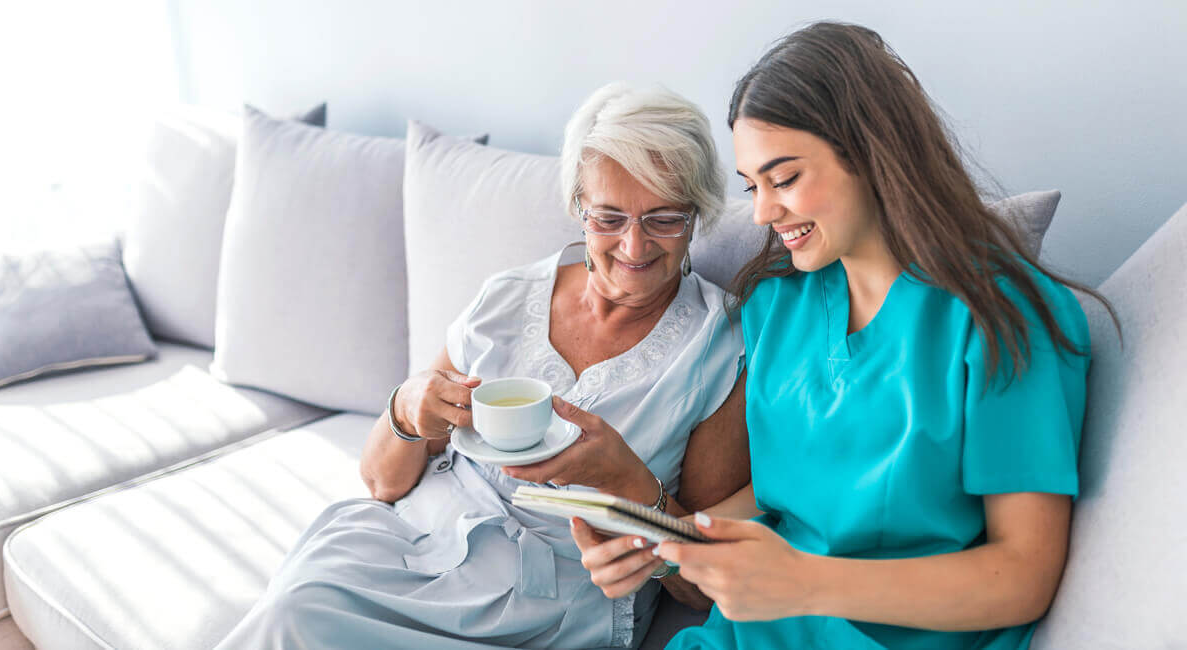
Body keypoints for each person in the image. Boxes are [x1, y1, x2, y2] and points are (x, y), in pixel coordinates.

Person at [572, 22, 1115, 650]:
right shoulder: (776, 306)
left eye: (785, 178)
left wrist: (806, 583)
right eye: (753, 186)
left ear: (870, 153)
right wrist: (663, 544)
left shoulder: (1004, 317)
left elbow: (1022, 575)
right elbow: (780, 497)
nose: (763, 214)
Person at [214, 82, 749, 650]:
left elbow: (705, 588)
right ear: (578, 207)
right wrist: (406, 407)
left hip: (546, 602)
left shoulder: (716, 348)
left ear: (698, 214)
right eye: (609, 218)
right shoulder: (506, 298)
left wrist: (628, 483)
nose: (635, 247)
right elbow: (379, 482)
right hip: (415, 543)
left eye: (664, 218)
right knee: (297, 608)